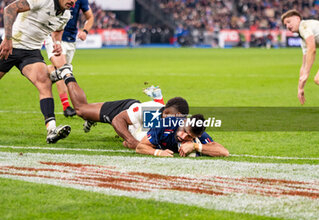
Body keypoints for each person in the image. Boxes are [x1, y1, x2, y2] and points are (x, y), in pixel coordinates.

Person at [50, 64, 189, 149]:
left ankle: (94, 118)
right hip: (123, 110)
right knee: (81, 109)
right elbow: (118, 120)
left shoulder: (180, 128)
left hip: (136, 118)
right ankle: (67, 73)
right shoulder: (150, 111)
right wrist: (132, 141)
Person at [0, 0, 74, 143]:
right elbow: (10, 9)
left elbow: (58, 31)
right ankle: (57, 73)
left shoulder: (65, 15)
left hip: (31, 53)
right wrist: (8, 38)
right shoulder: (42, 1)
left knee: (44, 83)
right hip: (10, 45)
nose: (72, 1)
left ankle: (52, 130)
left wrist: (57, 43)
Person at [45, 0, 94, 117]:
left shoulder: (81, 1)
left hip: (71, 39)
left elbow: (90, 17)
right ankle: (66, 106)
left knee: (57, 70)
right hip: (53, 35)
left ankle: (40, 70)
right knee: (63, 69)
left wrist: (85, 31)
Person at [136, 114, 229, 157]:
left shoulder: (198, 133)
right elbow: (140, 147)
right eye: (184, 131)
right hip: (141, 129)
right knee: (129, 143)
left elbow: (224, 152)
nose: (183, 137)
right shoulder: (165, 124)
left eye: (189, 136)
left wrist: (195, 146)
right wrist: (158, 152)